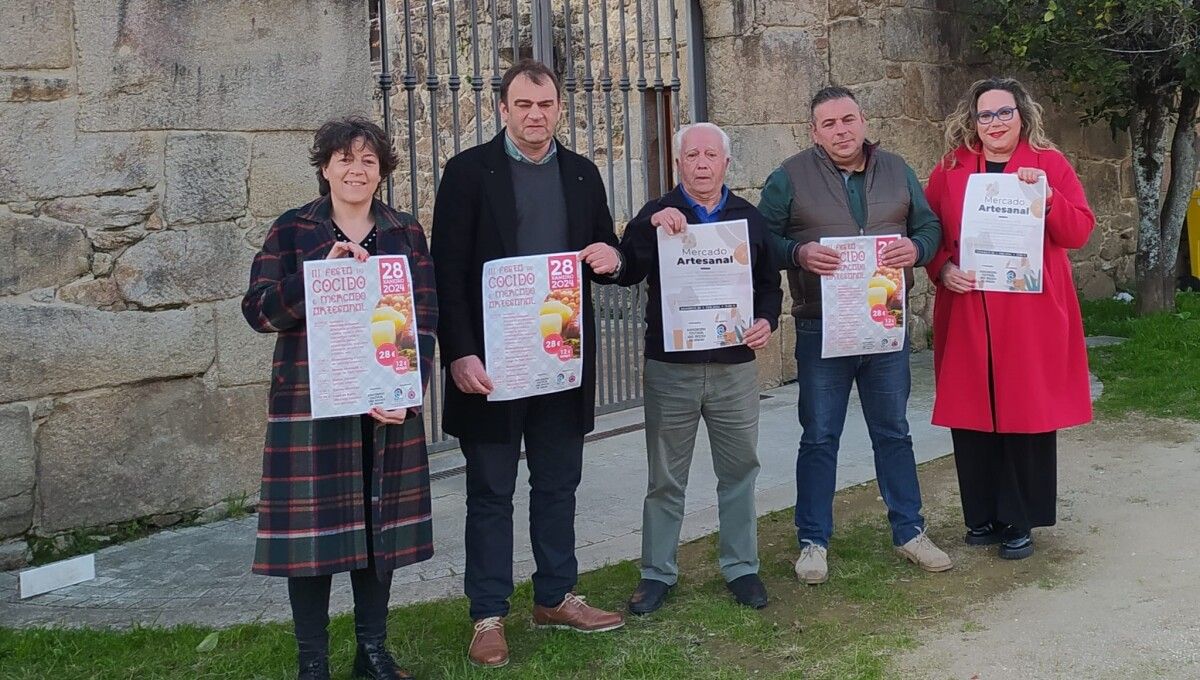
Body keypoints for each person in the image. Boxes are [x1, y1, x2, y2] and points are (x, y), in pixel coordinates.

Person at [430, 59, 626, 668]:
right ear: (503, 109)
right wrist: (459, 352)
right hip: (490, 363)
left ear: (560, 108)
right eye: (523, 105)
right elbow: (447, 271)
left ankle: (556, 596)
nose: (534, 115)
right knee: (491, 490)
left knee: (558, 481)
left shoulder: (583, 174)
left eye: (545, 105)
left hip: (560, 356)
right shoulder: (467, 173)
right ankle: (488, 614)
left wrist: (610, 255)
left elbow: (605, 248)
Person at [242, 116, 437, 680]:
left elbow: (425, 319)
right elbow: (257, 311)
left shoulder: (405, 233)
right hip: (310, 404)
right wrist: (312, 280)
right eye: (344, 159)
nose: (356, 169)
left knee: (380, 530)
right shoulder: (293, 230)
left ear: (382, 171)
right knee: (314, 535)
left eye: (368, 161)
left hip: (384, 406)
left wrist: (408, 392)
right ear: (325, 167)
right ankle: (313, 661)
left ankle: (372, 652)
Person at [758, 86, 952, 585]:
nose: (841, 131)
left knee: (893, 431)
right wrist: (798, 255)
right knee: (820, 435)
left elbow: (929, 227)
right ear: (814, 132)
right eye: (829, 123)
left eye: (848, 119)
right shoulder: (789, 177)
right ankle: (813, 541)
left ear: (863, 120)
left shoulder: (898, 170)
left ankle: (910, 531)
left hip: (884, 324)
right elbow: (762, 240)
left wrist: (917, 248)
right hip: (822, 325)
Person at [614, 122, 783, 615]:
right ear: (679, 164)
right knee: (666, 477)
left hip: (733, 368)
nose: (703, 163)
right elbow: (627, 269)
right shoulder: (658, 215)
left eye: (712, 155)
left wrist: (766, 321)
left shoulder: (747, 220)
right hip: (672, 369)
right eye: (693, 156)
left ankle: (741, 566)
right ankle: (657, 572)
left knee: (739, 471)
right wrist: (647, 227)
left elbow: (768, 285)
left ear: (726, 163)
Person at [924, 77, 1094, 560]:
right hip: (970, 306)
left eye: (1004, 113)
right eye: (985, 115)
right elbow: (929, 229)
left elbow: (1079, 230)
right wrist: (942, 268)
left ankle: (1020, 518)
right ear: (972, 120)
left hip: (1030, 309)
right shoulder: (951, 168)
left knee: (1025, 411)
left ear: (1022, 116)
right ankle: (981, 516)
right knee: (972, 410)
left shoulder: (1048, 164)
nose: (995, 123)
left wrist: (1049, 200)